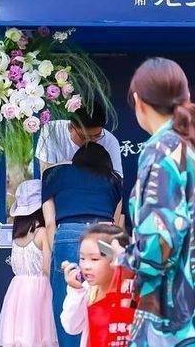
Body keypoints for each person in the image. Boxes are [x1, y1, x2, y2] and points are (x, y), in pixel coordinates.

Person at [118, 57, 195, 347]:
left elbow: (158, 242)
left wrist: (125, 258)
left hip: (174, 316)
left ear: (138, 101)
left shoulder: (161, 150)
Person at [42, 145, 124, 347]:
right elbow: (115, 222)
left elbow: (50, 223)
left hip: (67, 235)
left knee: (68, 298)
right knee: (108, 296)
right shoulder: (113, 179)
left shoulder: (55, 175)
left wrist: (58, 253)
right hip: (103, 237)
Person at [0, 180, 58, 347]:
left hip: (17, 287)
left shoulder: (16, 235)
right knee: (39, 334)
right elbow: (46, 267)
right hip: (39, 286)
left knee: (20, 334)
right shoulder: (42, 232)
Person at [61, 223, 133, 347]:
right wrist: (77, 291)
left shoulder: (130, 292)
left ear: (115, 260)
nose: (86, 266)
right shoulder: (88, 291)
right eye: (82, 258)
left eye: (94, 259)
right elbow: (71, 327)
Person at [35, 100, 124, 179]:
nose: (91, 141)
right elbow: (47, 176)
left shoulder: (110, 141)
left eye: (97, 136)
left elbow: (117, 180)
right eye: (84, 137)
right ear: (70, 127)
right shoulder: (52, 131)